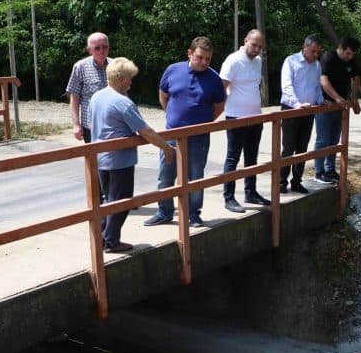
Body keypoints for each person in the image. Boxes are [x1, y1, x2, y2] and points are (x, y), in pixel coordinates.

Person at [89, 58, 174, 252]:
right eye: (128, 78)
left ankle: (102, 238)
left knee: (108, 201)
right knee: (122, 201)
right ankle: (111, 240)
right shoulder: (122, 102)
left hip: (101, 158)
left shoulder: (97, 96)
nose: (131, 82)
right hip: (120, 160)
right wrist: (167, 149)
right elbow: (145, 131)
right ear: (119, 78)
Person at [145, 37, 226, 228]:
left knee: (195, 177)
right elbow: (163, 95)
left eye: (208, 59)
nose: (204, 62)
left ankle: (193, 214)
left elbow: (219, 106)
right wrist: (173, 116)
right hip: (172, 135)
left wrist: (204, 123)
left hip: (198, 137)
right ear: (190, 53)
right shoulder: (173, 70)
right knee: (165, 175)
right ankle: (164, 212)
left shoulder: (214, 78)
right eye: (200, 57)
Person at [219, 29, 271, 213]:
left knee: (252, 157)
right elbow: (221, 88)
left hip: (255, 117)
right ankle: (229, 197)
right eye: (254, 44)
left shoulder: (258, 62)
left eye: (260, 46)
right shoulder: (233, 60)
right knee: (233, 158)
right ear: (245, 40)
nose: (256, 49)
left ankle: (251, 192)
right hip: (236, 117)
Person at [278, 35, 324, 194]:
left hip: (309, 111)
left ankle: (296, 181)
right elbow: (286, 86)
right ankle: (281, 182)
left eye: (318, 52)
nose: (315, 55)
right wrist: (297, 104)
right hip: (291, 109)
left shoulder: (317, 65)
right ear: (304, 47)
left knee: (302, 148)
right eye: (313, 51)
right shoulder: (291, 61)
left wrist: (320, 101)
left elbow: (317, 86)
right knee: (289, 147)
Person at [314, 36, 361, 185]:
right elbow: (323, 80)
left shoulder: (351, 61)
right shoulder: (328, 58)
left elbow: (355, 78)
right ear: (341, 47)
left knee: (335, 139)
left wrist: (353, 97)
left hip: (341, 107)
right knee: (323, 139)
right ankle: (319, 171)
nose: (349, 57)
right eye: (347, 53)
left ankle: (330, 170)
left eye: (352, 54)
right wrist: (337, 98)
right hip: (325, 104)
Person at [66, 32, 111, 143]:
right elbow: (74, 97)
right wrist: (76, 125)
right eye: (97, 48)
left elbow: (124, 94)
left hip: (113, 126)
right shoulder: (80, 67)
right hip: (91, 128)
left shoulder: (116, 65)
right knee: (92, 159)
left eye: (105, 47)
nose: (101, 51)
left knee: (114, 160)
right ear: (89, 50)